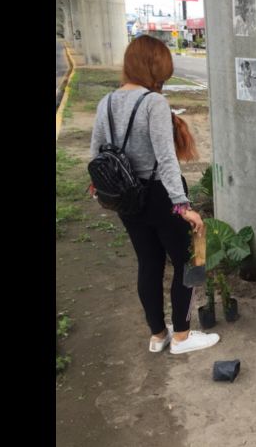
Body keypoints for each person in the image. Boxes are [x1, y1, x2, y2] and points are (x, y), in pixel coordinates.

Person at [89, 35, 220, 354]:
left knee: (148, 263)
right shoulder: (153, 103)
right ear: (153, 66)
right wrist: (183, 207)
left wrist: (101, 192)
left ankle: (158, 335)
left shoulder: (105, 102)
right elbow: (166, 159)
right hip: (161, 196)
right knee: (186, 262)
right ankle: (183, 337)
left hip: (127, 199)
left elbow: (96, 157)